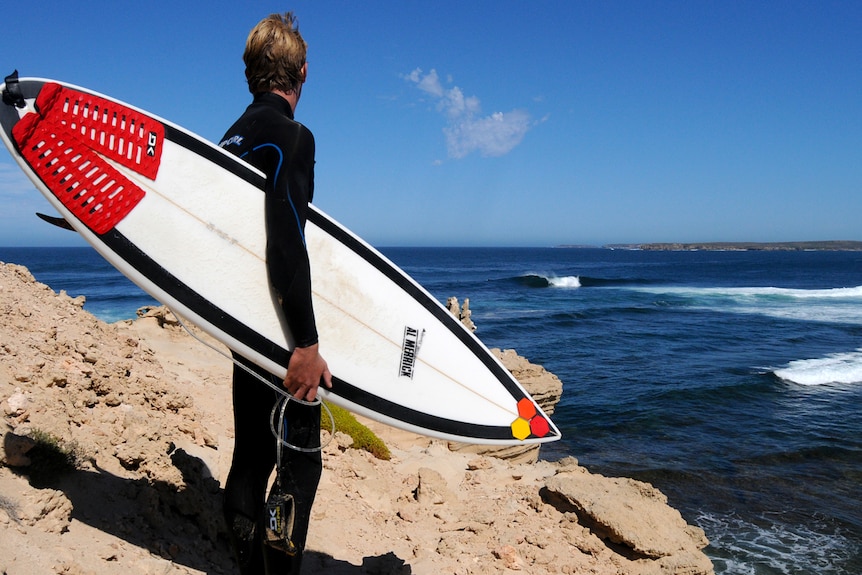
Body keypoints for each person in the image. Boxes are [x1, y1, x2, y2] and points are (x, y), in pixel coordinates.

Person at [218, 12, 332, 575]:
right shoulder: (291, 136)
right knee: (299, 466)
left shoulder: (230, 137)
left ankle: (244, 562)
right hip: (279, 327)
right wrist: (306, 343)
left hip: (242, 322)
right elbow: (286, 237)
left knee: (251, 454)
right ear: (302, 72)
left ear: (250, 74)